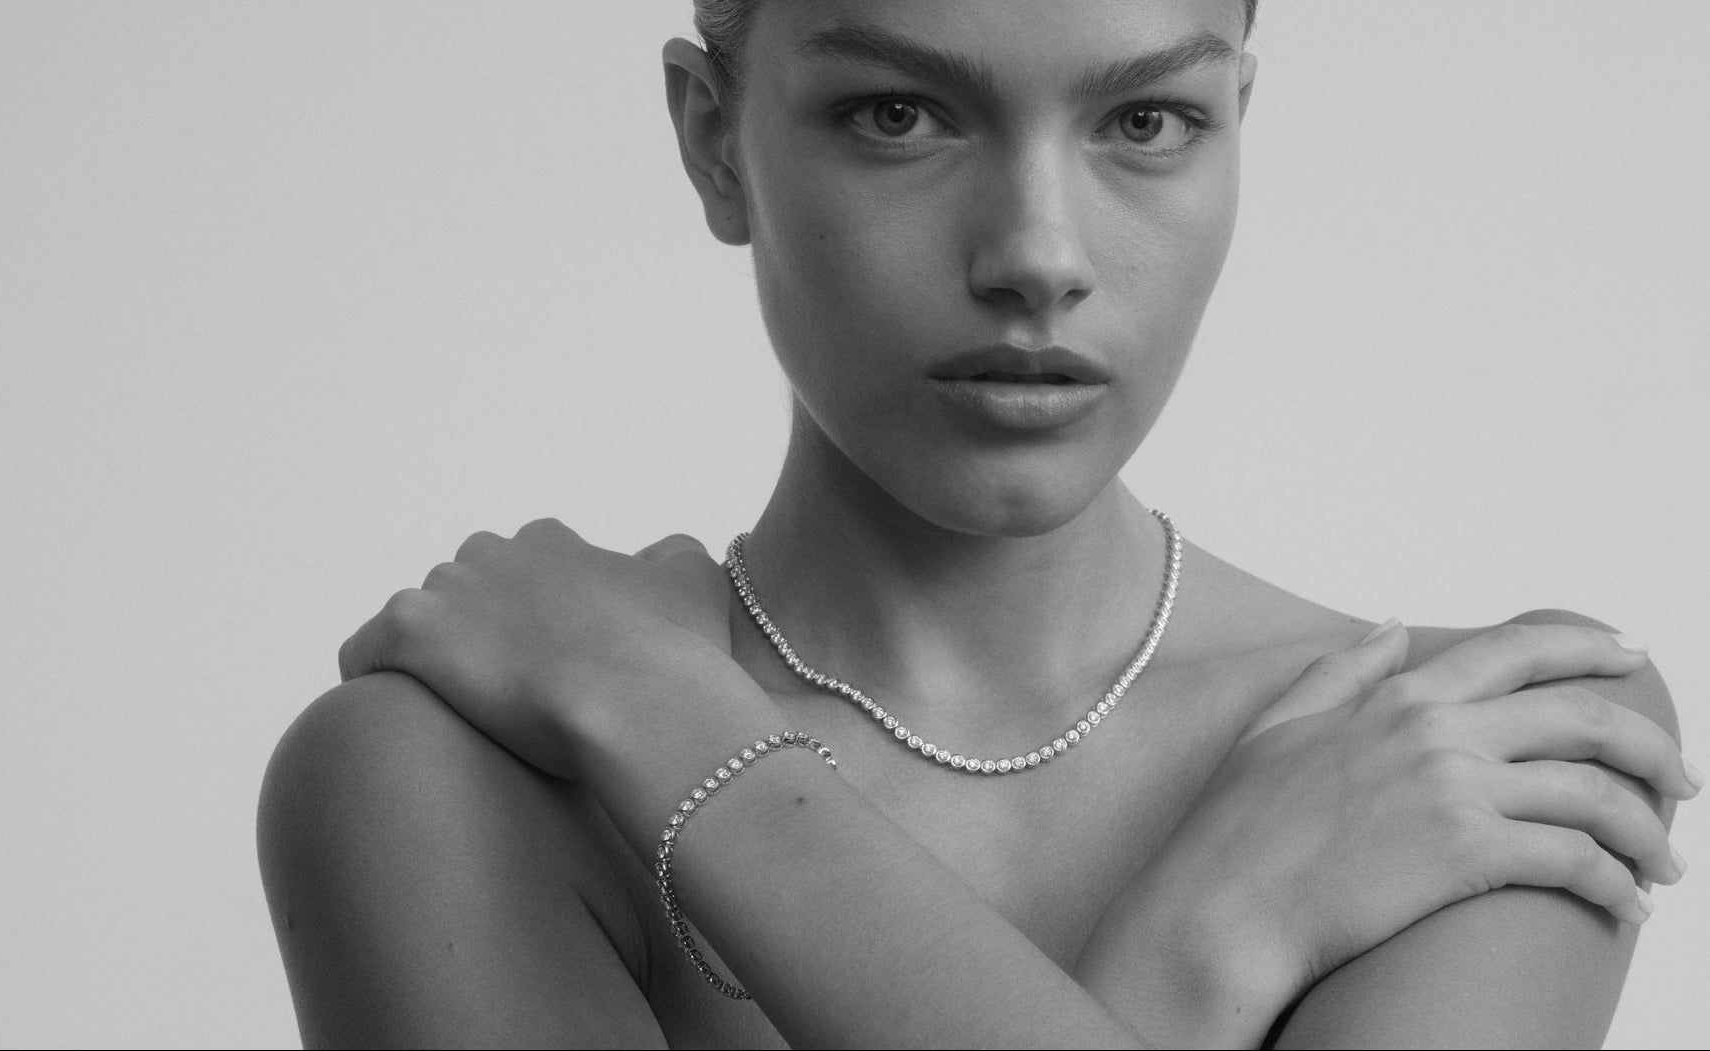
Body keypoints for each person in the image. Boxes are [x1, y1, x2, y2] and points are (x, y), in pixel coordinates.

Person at [257, 2, 1695, 1046]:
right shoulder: (450, 783)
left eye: (1146, 121)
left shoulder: (1490, 737)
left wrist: (672, 728)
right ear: (714, 142)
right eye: (899, 114)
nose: (1038, 256)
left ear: (1235, 126)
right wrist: (1215, 943)